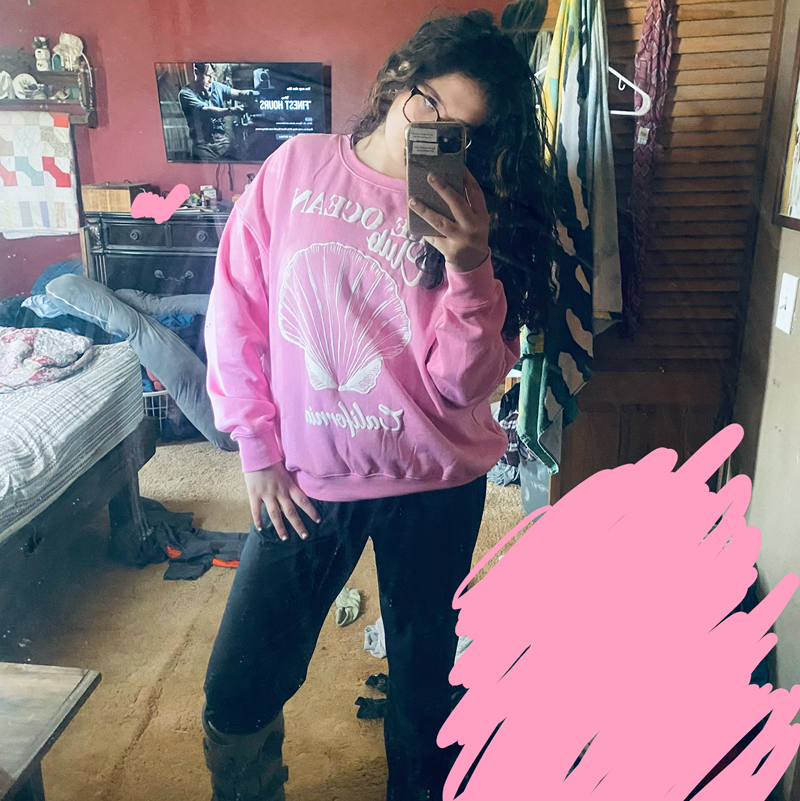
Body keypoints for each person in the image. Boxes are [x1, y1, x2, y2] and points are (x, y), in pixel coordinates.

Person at [201, 9, 556, 801]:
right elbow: (235, 311)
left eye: (461, 130)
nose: (434, 132)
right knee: (237, 688)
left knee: (427, 698)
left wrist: (470, 262)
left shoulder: (477, 215)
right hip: (307, 484)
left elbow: (462, 386)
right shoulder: (295, 168)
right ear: (401, 79)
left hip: (436, 486)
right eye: (430, 105)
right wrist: (256, 447)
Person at [179, 62, 258, 160]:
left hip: (223, 142)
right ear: (196, 72)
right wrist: (231, 111)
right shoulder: (186, 94)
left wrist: (254, 94)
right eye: (208, 75)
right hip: (202, 145)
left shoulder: (217, 87)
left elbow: (239, 94)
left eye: (212, 76)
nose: (211, 80)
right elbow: (206, 111)